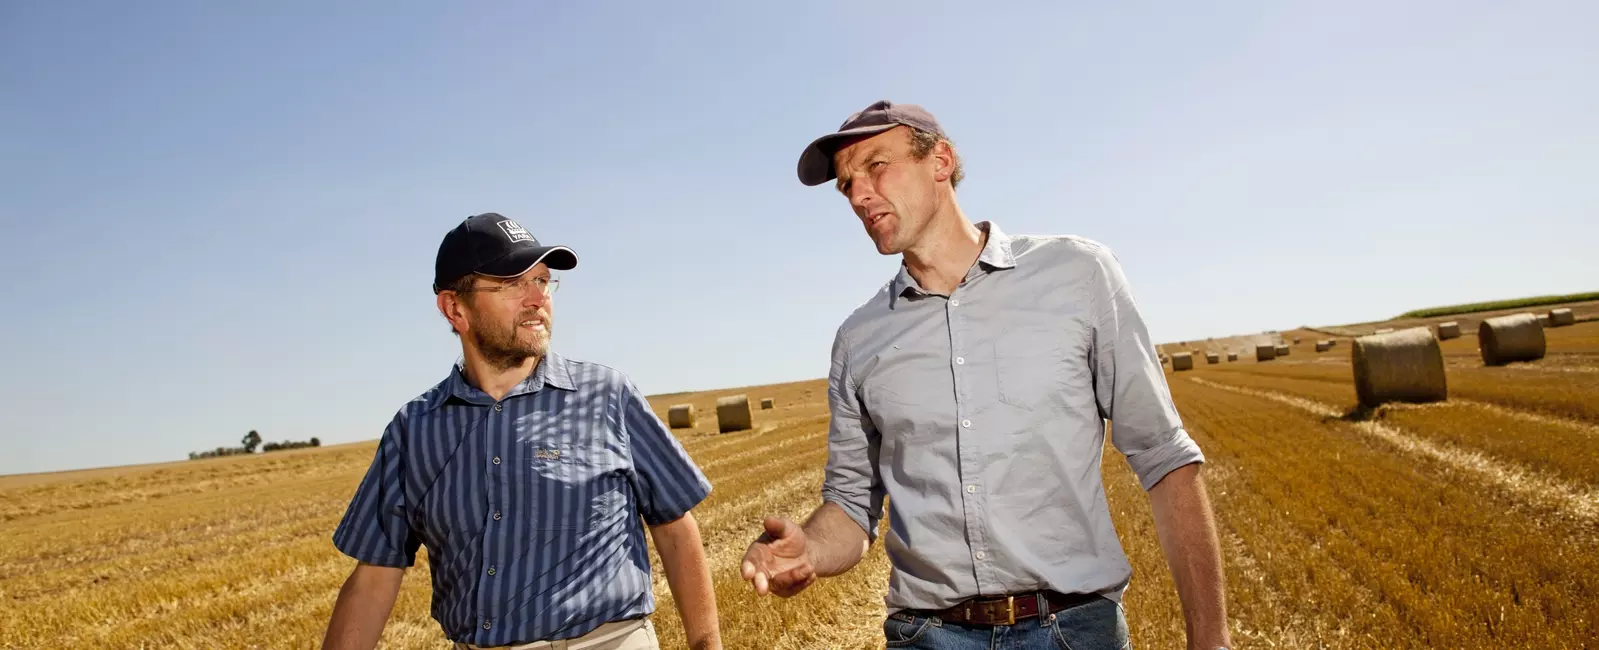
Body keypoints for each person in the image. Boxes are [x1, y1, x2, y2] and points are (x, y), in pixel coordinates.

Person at [739, 101, 1233, 650]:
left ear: (941, 160)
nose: (858, 194)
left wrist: (1210, 638)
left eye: (876, 166)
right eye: (847, 184)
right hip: (927, 635)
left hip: (1074, 629)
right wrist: (808, 548)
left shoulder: (1079, 275)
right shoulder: (858, 340)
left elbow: (1164, 459)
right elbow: (852, 507)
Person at [322, 213, 721, 650]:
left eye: (544, 281)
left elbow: (676, 528)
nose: (537, 298)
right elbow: (374, 577)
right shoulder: (414, 429)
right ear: (455, 308)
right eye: (512, 284)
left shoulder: (609, 395)